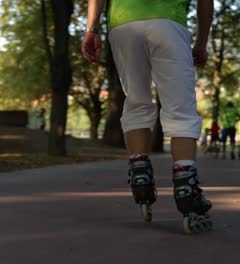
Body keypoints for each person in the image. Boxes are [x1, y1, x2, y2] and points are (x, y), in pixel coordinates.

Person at [83, 0, 214, 233]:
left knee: (136, 102)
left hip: (123, 23)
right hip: (168, 21)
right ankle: (187, 190)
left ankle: (140, 176)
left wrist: (91, 29)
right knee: (180, 110)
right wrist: (201, 43)